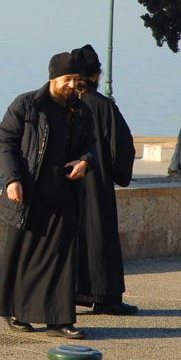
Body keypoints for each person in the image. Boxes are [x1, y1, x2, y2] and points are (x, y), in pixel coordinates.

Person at [0, 52, 98, 339]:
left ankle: (60, 320)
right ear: (53, 78)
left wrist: (85, 162)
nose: (71, 85)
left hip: (65, 194)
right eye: (66, 80)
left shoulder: (80, 109)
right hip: (28, 195)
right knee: (23, 257)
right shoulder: (27, 104)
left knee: (62, 260)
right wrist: (11, 180)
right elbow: (4, 141)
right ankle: (14, 312)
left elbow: (91, 144)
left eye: (75, 80)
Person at [69, 44, 138, 316]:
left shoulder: (63, 106)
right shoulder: (104, 107)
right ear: (96, 76)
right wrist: (119, 173)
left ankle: (69, 294)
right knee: (100, 238)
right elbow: (121, 148)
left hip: (66, 184)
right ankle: (105, 298)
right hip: (96, 185)